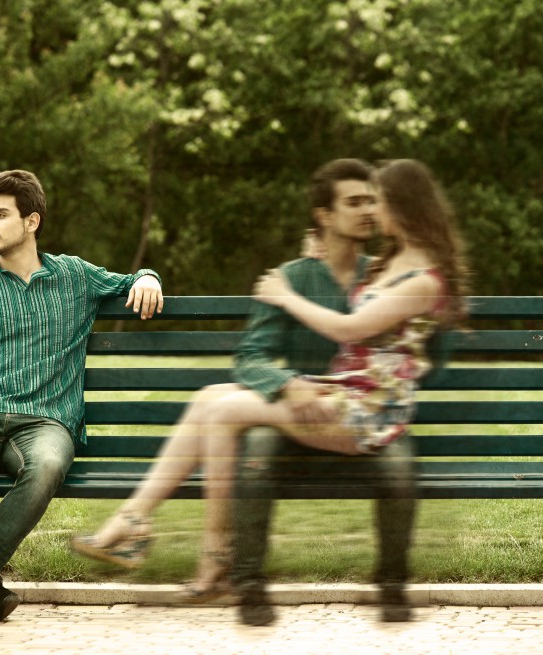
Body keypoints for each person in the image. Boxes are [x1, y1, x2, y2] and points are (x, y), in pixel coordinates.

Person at [71, 159, 468, 624]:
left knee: (222, 413)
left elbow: (350, 327)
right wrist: (308, 275)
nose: (369, 211)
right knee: (208, 399)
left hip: (365, 412)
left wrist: (286, 295)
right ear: (324, 215)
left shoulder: (421, 278)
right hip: (347, 394)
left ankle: (208, 555)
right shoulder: (386, 262)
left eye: (375, 200)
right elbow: (265, 350)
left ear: (400, 205)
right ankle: (143, 526)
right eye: (357, 201)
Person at [0, 169, 164, 625]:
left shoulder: (75, 276)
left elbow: (129, 281)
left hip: (46, 422)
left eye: (0, 214)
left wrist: (149, 276)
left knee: (48, 466)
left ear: (32, 221)